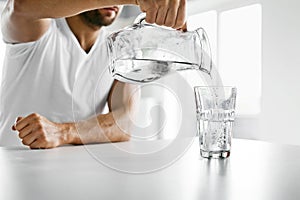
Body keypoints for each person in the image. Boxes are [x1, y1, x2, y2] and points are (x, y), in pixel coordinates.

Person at [0, 0, 187, 148]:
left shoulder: (120, 47)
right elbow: (20, 6)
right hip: (15, 168)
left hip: (79, 172)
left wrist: (63, 132)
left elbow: (125, 122)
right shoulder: (39, 28)